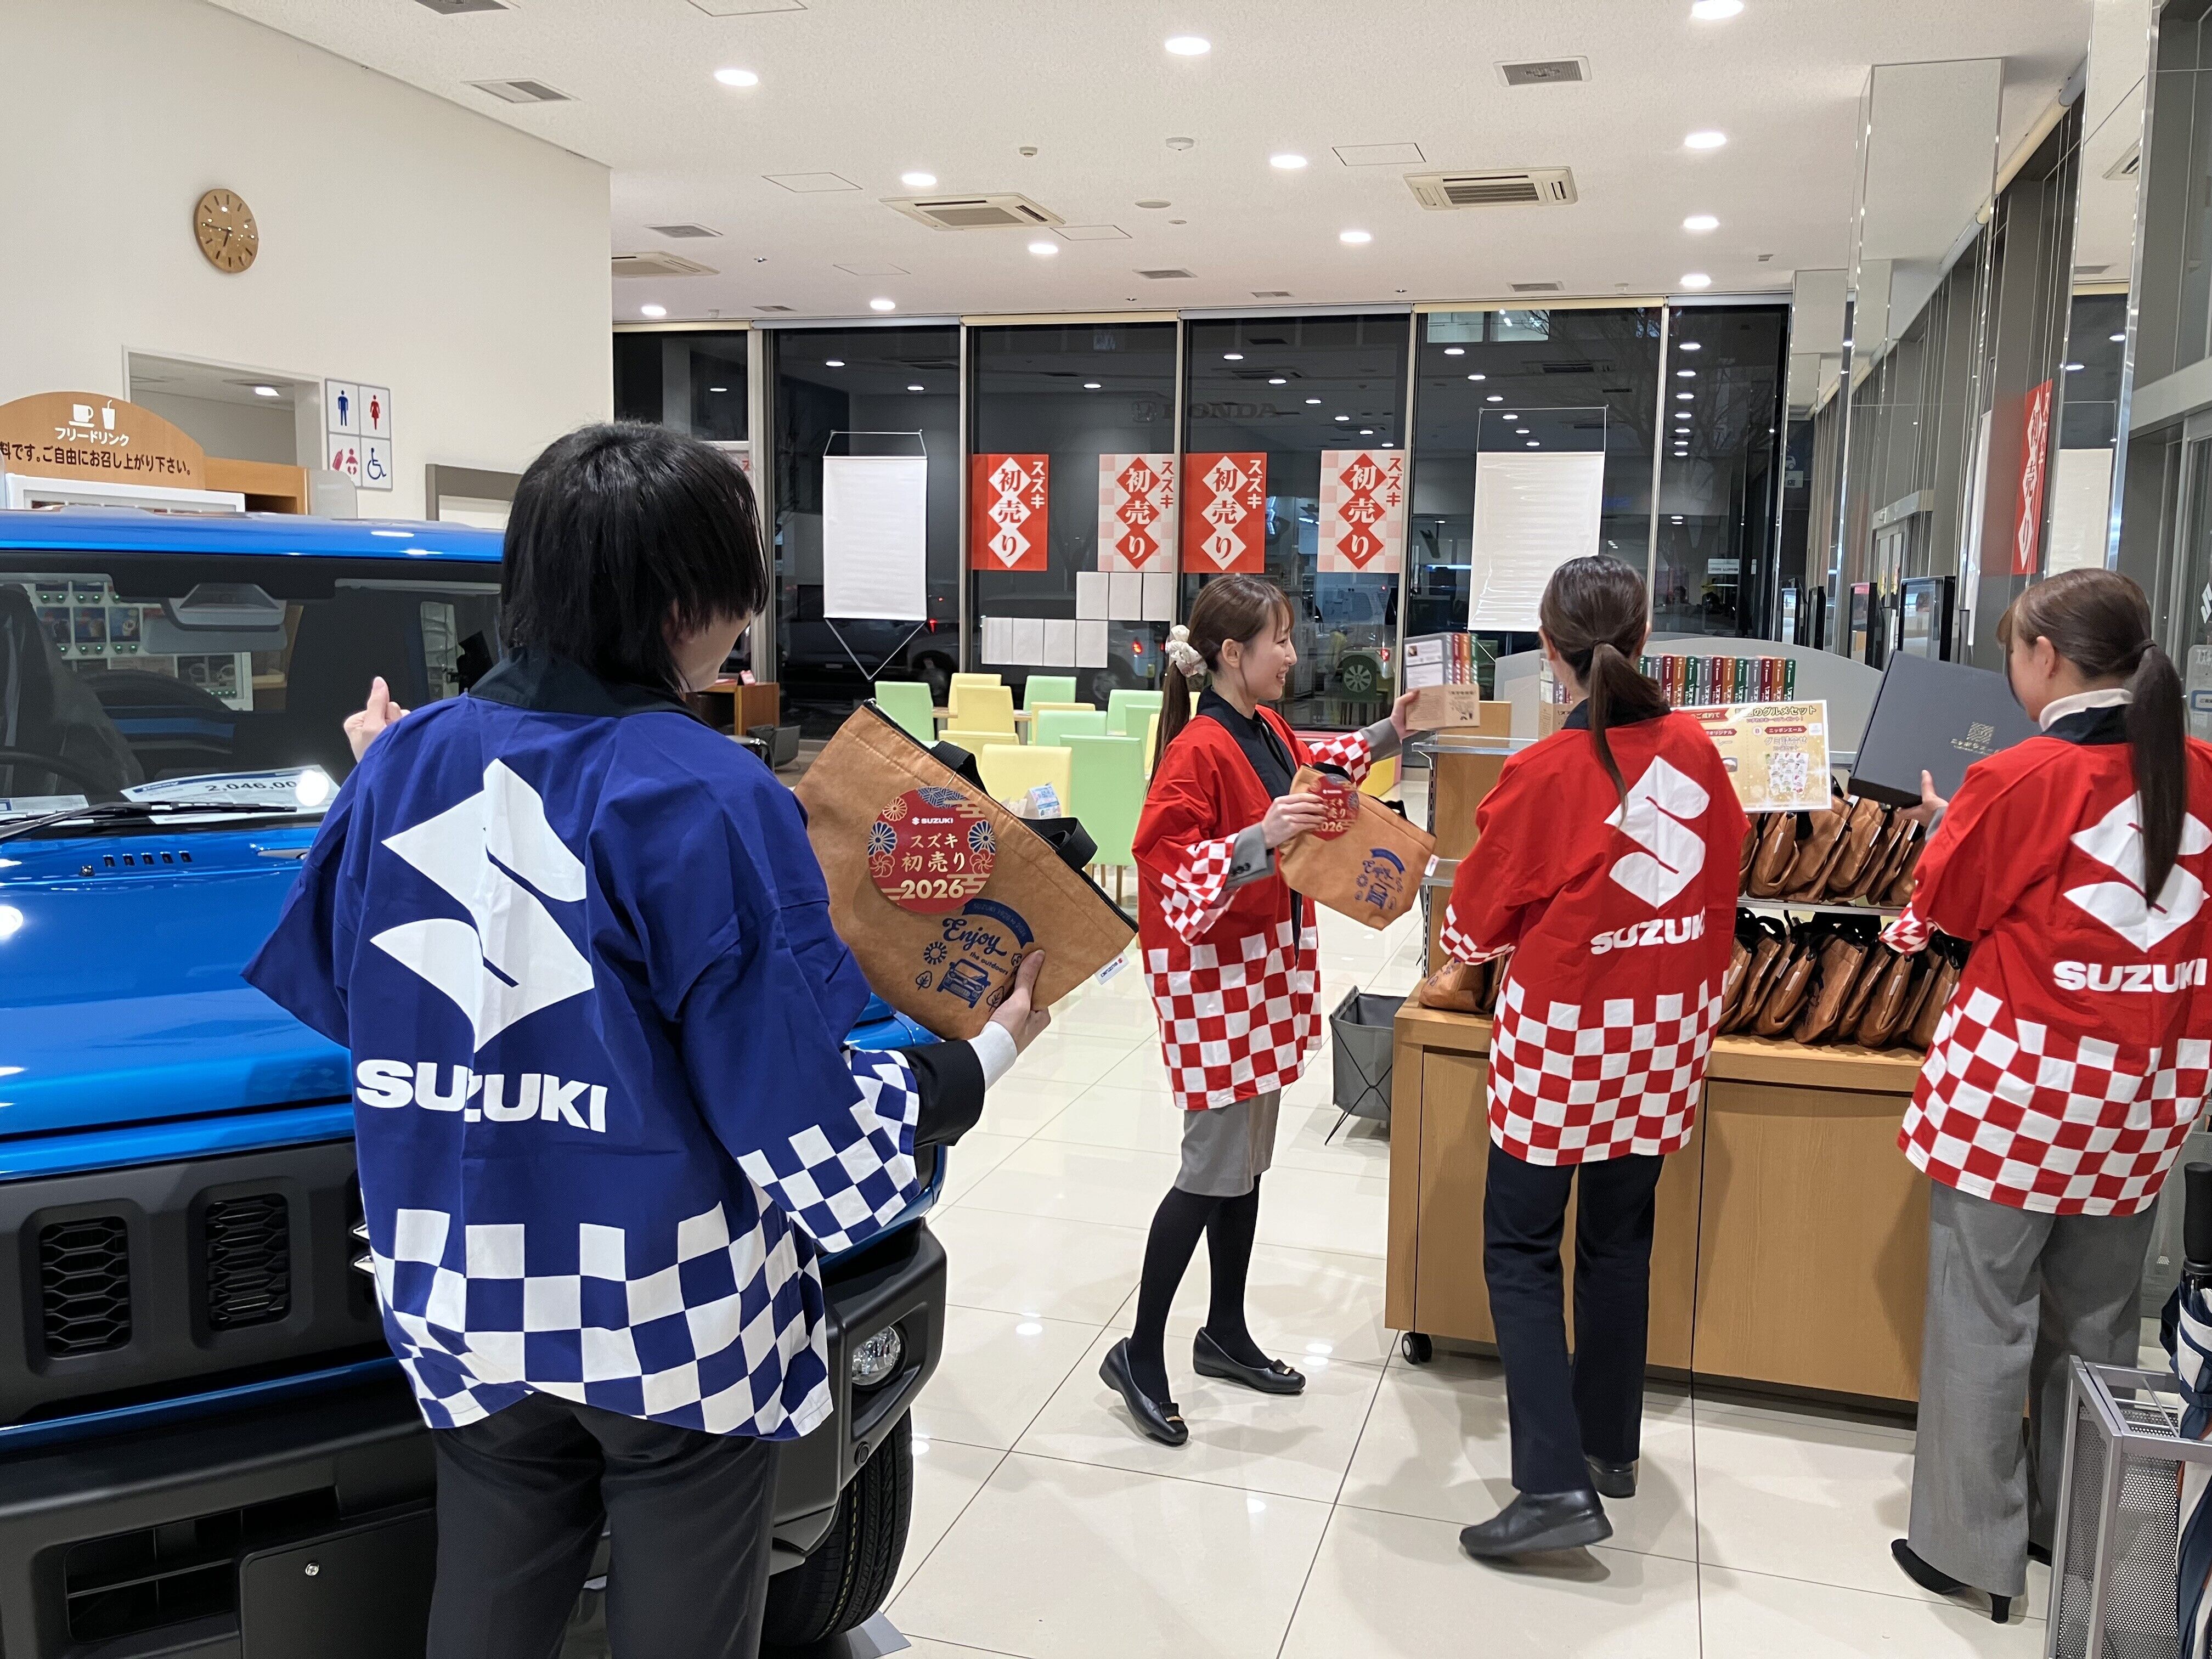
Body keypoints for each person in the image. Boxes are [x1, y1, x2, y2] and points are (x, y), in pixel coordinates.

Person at [245, 423, 1049, 1659]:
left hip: (456, 1286)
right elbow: (803, 1126)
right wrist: (981, 1058)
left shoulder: (404, 759)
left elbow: (361, 1000)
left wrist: (389, 767)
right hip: (664, 1309)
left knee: (490, 1596)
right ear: (683, 602)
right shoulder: (706, 790)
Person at [1883, 568, 2211, 1623]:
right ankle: (2079, 1536)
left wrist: (1944, 828)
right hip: (2150, 1089)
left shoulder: (2020, 774)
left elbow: (1946, 909)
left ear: (2047, 659)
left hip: (2022, 1087)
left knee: (1983, 1311)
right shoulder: (2200, 772)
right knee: (2102, 1320)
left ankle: (1967, 1550)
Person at [1437, 555, 1746, 1559]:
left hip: (1567, 1032)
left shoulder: (1545, 771)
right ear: (1647, 637)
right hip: (1668, 1030)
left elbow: (1476, 923)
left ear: (1549, 650)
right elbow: (1725, 876)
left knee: (1522, 1249)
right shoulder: (1698, 751)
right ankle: (1610, 1447)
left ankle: (1553, 1485)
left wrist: (1464, 943)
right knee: (1620, 1241)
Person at [1098, 573, 1418, 1443]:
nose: (1293, 653)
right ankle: (1139, 1352)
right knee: (1209, 1171)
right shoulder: (1198, 749)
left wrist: (1393, 729)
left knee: (1245, 1167)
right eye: (1280, 639)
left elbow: (1320, 768)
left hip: (1264, 978)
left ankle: (1224, 1332)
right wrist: (1262, 837)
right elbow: (1166, 867)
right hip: (1215, 991)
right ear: (1233, 654)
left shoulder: (1265, 728)